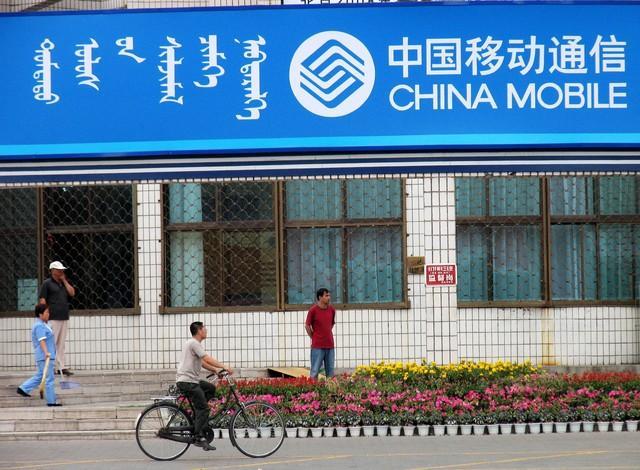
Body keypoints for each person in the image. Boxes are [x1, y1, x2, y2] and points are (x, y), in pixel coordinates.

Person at [176, 321, 233, 451]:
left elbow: (202, 362)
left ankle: (198, 418)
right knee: (204, 408)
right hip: (188, 382)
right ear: (199, 331)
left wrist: (215, 370)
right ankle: (198, 436)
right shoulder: (194, 343)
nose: (206, 330)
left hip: (191, 381)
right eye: (204, 328)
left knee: (210, 388)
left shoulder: (193, 344)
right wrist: (224, 366)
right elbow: (206, 358)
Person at [16, 304, 62, 406]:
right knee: (49, 378)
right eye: (47, 312)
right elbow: (42, 340)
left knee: (42, 375)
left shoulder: (44, 324)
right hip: (45, 356)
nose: (49, 314)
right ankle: (51, 401)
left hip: (47, 355)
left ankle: (23, 388)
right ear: (40, 314)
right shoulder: (39, 326)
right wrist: (46, 353)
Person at [39, 261, 75, 376]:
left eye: (62, 270)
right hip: (53, 317)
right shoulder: (47, 283)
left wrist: (64, 281)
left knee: (61, 343)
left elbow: (72, 293)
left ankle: (62, 367)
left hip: (64, 316)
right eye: (59, 270)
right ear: (53, 271)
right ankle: (51, 367)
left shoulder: (63, 283)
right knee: (52, 342)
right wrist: (44, 314)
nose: (61, 272)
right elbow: (42, 300)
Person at [305, 287, 336, 379]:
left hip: (330, 345)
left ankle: (330, 387)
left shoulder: (332, 310)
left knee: (330, 372)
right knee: (314, 371)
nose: (329, 298)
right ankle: (313, 388)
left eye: (329, 295)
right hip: (317, 346)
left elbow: (331, 324)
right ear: (320, 297)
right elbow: (307, 326)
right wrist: (314, 337)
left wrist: (326, 333)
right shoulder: (313, 310)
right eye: (326, 296)